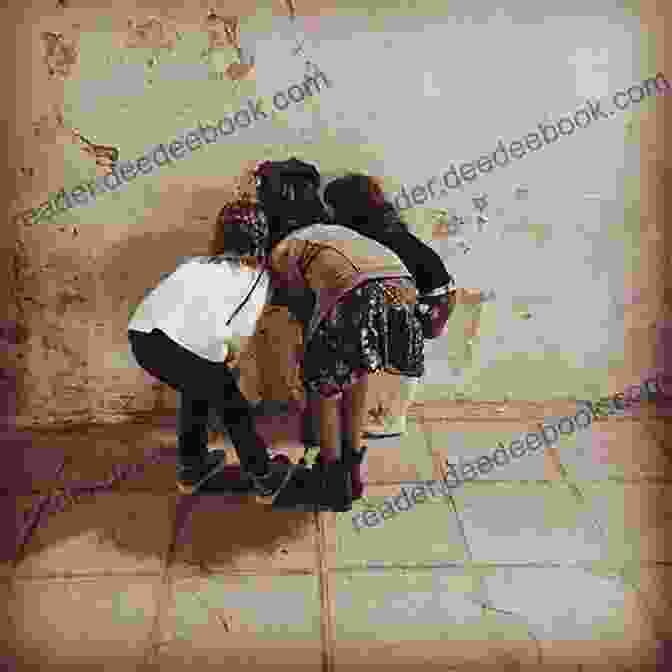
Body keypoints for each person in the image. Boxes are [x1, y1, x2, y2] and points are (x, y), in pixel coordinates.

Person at [254, 158, 425, 511]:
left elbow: (299, 306)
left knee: (324, 388)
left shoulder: (286, 247)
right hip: (401, 286)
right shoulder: (337, 233)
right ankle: (353, 471)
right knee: (357, 373)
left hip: (357, 294)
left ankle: (331, 481)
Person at [127, 191, 304, 504]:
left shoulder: (196, 263)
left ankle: (192, 466)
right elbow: (238, 336)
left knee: (197, 389)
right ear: (262, 239)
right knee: (234, 408)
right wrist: (228, 365)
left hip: (142, 337)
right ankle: (264, 476)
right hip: (186, 349)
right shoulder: (257, 278)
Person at [323, 173, 457, 438]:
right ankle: (383, 409)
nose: (330, 213)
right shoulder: (383, 225)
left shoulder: (379, 237)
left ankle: (393, 418)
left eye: (333, 207)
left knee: (401, 341)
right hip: (435, 293)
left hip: (432, 300)